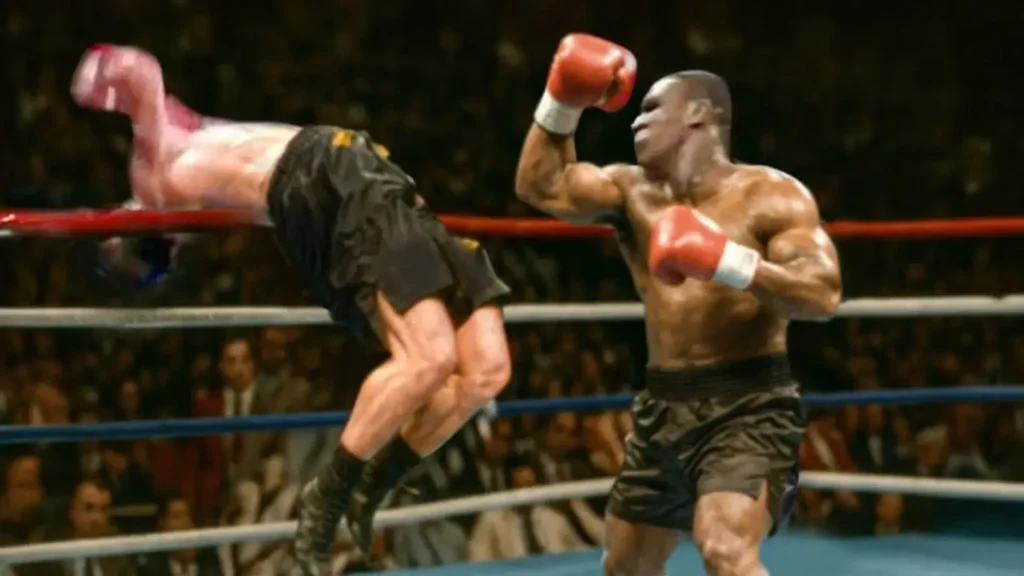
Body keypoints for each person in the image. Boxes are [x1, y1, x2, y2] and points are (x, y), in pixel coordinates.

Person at [71, 44, 512, 574]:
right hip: (329, 176)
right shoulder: (158, 179)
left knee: (486, 371)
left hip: (358, 174)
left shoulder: (167, 173)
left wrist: (100, 83)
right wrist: (94, 77)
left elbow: (141, 81)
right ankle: (325, 504)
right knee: (430, 359)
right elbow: (138, 71)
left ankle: (374, 485)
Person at [515, 34, 842, 575]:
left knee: (725, 550)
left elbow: (822, 294)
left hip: (749, 403)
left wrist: (724, 260)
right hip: (662, 406)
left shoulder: (772, 195)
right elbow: (540, 185)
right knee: (625, 566)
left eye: (650, 108)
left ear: (698, 113)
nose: (635, 122)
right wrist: (562, 100)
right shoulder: (631, 191)